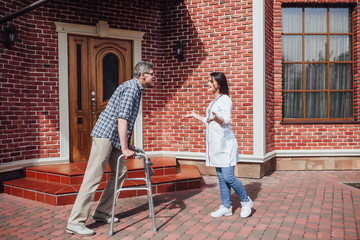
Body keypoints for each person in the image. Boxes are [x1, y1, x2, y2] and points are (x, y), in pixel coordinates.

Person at [66, 61, 156, 236]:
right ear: (143, 75)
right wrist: (124, 148)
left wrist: (126, 144)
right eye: (153, 74)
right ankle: (75, 221)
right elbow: (122, 119)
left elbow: (125, 120)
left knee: (120, 171)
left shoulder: (136, 88)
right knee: (93, 176)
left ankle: (102, 212)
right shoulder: (131, 88)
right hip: (105, 135)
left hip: (114, 137)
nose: (155, 77)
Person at [186, 72, 253, 218]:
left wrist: (217, 118)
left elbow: (226, 120)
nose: (208, 83)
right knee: (222, 178)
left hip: (226, 145)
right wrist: (195, 115)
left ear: (219, 84)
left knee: (229, 178)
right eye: (208, 81)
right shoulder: (213, 102)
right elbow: (209, 121)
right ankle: (226, 206)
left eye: (211, 81)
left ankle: (246, 201)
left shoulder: (225, 100)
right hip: (216, 147)